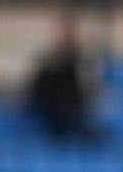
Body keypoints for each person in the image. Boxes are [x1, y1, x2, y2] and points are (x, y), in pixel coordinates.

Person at [24, 14, 104, 144]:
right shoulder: (46, 64)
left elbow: (90, 88)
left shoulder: (83, 61)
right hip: (51, 115)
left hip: (74, 112)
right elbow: (35, 91)